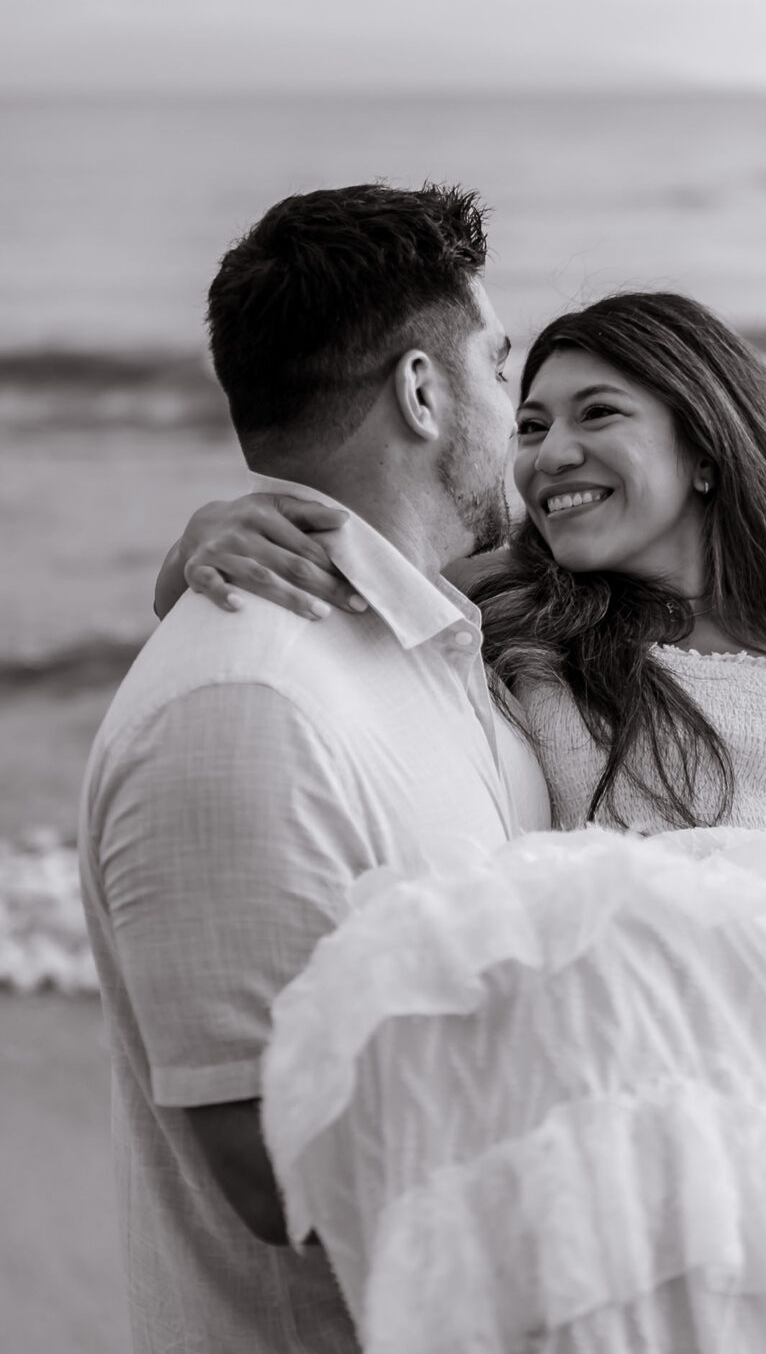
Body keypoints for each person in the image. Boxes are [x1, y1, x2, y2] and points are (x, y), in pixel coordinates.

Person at [159, 291, 766, 1352]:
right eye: (529, 425)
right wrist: (199, 539)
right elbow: (344, 601)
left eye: (597, 414)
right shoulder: (515, 622)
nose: (550, 453)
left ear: (704, 447)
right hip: (663, 1179)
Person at [79, 183, 551, 1354]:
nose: (522, 411)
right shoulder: (244, 708)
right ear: (425, 392)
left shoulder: (435, 639)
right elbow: (287, 1175)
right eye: (500, 365)